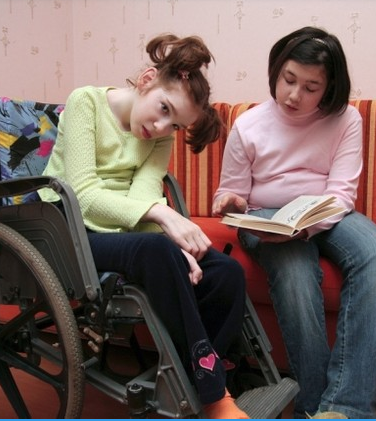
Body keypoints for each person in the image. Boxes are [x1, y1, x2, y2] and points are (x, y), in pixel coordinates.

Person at [39, 34, 249, 419]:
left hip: (124, 232)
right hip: (69, 231)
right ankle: (213, 394)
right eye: (163, 108)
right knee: (160, 247)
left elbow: (143, 197)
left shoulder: (159, 136)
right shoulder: (86, 101)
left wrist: (177, 246)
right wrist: (166, 219)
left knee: (225, 271)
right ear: (147, 79)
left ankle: (203, 373)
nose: (162, 125)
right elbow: (83, 194)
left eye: (175, 124)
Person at [212, 26, 376, 419]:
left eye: (310, 87)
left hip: (326, 212)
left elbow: (342, 195)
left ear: (329, 90)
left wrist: (305, 226)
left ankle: (347, 408)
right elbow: (230, 193)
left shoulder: (347, 120)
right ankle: (313, 406)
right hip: (266, 216)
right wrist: (229, 202)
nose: (294, 95)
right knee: (295, 269)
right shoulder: (248, 124)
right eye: (288, 80)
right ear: (276, 72)